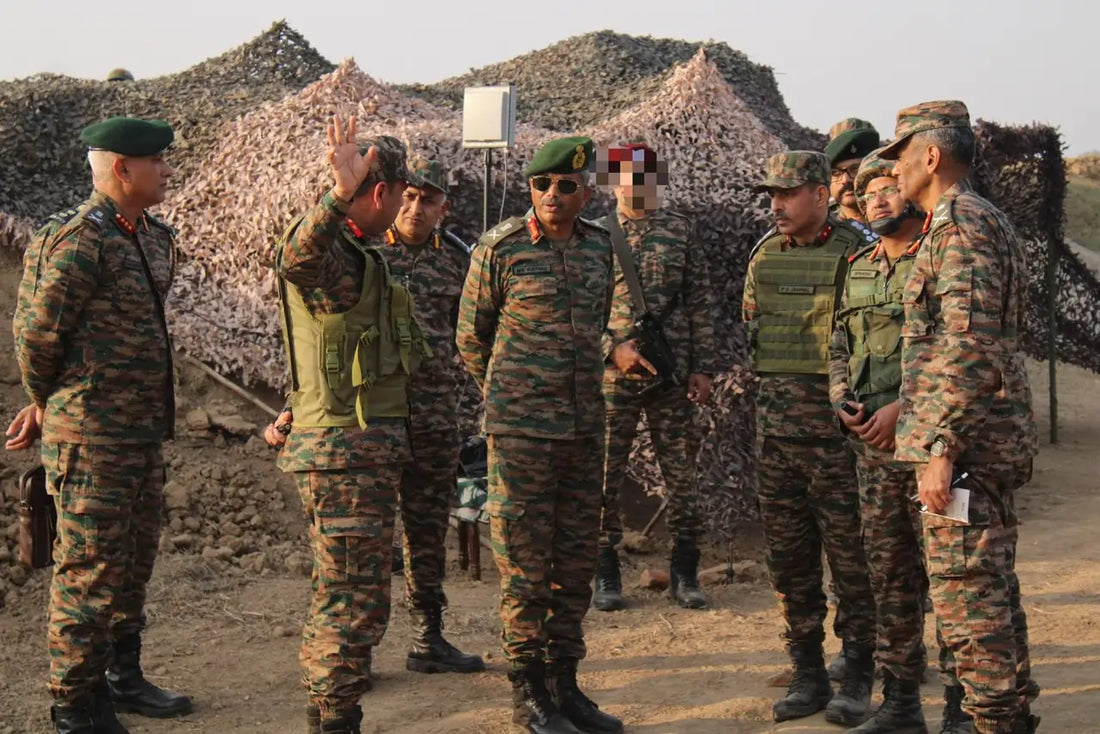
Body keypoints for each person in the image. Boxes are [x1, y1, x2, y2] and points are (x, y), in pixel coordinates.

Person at [13, 116, 192, 732]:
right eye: (158, 162)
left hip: (141, 434)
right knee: (88, 570)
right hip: (91, 438)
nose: (168, 169)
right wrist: (52, 403)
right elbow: (37, 338)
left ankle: (123, 676)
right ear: (122, 168)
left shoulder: (154, 237)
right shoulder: (76, 241)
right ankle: (75, 705)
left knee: (133, 562)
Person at [881, 100, 1041, 734]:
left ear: (931, 155)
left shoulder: (961, 227)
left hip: (965, 450)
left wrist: (941, 448)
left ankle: (996, 723)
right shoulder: (974, 220)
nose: (893, 171)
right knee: (991, 594)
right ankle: (1011, 719)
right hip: (976, 439)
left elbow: (967, 344)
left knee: (969, 606)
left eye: (899, 157)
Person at [456, 136, 623, 734]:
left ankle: (565, 685)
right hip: (521, 435)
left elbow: (601, 326)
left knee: (574, 564)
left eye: (566, 186)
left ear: (585, 192)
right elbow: (472, 339)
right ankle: (529, 694)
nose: (552, 195)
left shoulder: (600, 249)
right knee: (525, 567)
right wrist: (510, 398)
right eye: (541, 185)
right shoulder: (498, 249)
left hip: (583, 431)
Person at [273, 115, 425, 734]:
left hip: (360, 453)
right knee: (353, 601)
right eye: (401, 193)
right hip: (343, 456)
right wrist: (338, 194)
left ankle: (329, 715)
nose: (404, 206)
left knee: (346, 594)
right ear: (382, 192)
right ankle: (336, 721)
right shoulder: (329, 250)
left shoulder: (362, 256)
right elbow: (294, 259)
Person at [742, 150, 876, 726]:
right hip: (777, 443)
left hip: (840, 445)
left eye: (787, 193)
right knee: (791, 566)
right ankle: (807, 673)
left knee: (853, 564)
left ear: (821, 194)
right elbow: (753, 334)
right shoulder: (764, 256)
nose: (776, 204)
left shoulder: (858, 253)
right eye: (770, 194)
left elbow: (871, 343)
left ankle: (861, 674)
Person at [593, 143, 720, 612]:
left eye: (643, 175)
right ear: (613, 181)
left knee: (682, 476)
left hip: (671, 374)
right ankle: (605, 574)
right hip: (614, 375)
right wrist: (611, 349)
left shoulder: (680, 232)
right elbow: (580, 307)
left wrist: (703, 367)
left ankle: (685, 571)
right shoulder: (596, 234)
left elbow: (701, 302)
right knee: (603, 475)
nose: (633, 184)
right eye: (623, 176)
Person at [826, 149, 928, 734]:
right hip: (872, 452)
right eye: (868, 196)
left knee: (947, 581)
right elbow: (840, 343)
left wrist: (900, 409)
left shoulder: (938, 259)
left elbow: (952, 353)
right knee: (888, 578)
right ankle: (901, 704)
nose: (879, 200)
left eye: (888, 187)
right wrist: (843, 401)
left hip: (928, 447)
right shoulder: (861, 265)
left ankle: (966, 708)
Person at [379, 157, 484, 674]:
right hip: (372, 416)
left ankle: (428, 638)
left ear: (445, 206)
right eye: (412, 195)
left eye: (430, 200)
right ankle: (354, 651)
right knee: (367, 533)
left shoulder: (460, 261)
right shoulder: (365, 248)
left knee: (425, 529)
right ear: (395, 194)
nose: (417, 208)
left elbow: (473, 334)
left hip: (434, 418)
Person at [825, 119, 880, 224]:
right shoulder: (821, 226)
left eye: (855, 169)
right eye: (835, 172)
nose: (845, 180)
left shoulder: (905, 218)